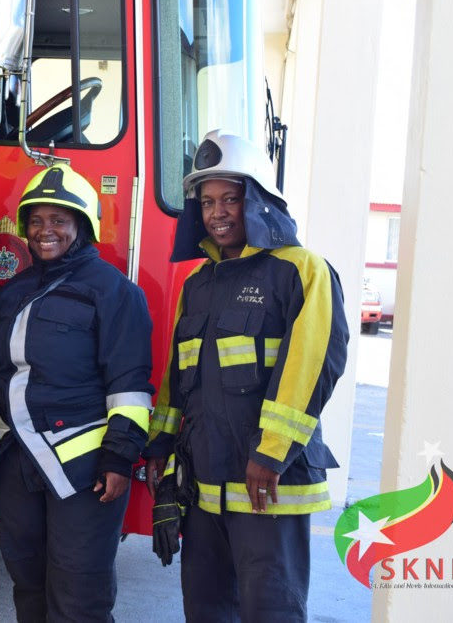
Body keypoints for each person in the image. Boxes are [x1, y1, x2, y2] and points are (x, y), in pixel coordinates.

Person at [145, 130, 348, 622]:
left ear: (257, 200)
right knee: (206, 610)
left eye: (230, 199)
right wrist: (159, 448)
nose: (217, 212)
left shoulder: (301, 270)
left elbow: (314, 364)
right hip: (205, 486)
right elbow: (179, 380)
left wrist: (271, 454)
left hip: (268, 487)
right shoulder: (197, 283)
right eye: (208, 201)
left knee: (270, 611)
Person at [0, 164, 153, 623]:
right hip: (14, 462)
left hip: (84, 473)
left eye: (59, 221)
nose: (46, 231)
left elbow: (130, 386)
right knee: (28, 581)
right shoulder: (12, 293)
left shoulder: (115, 292)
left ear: (82, 226)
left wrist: (120, 458)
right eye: (37, 221)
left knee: (79, 592)